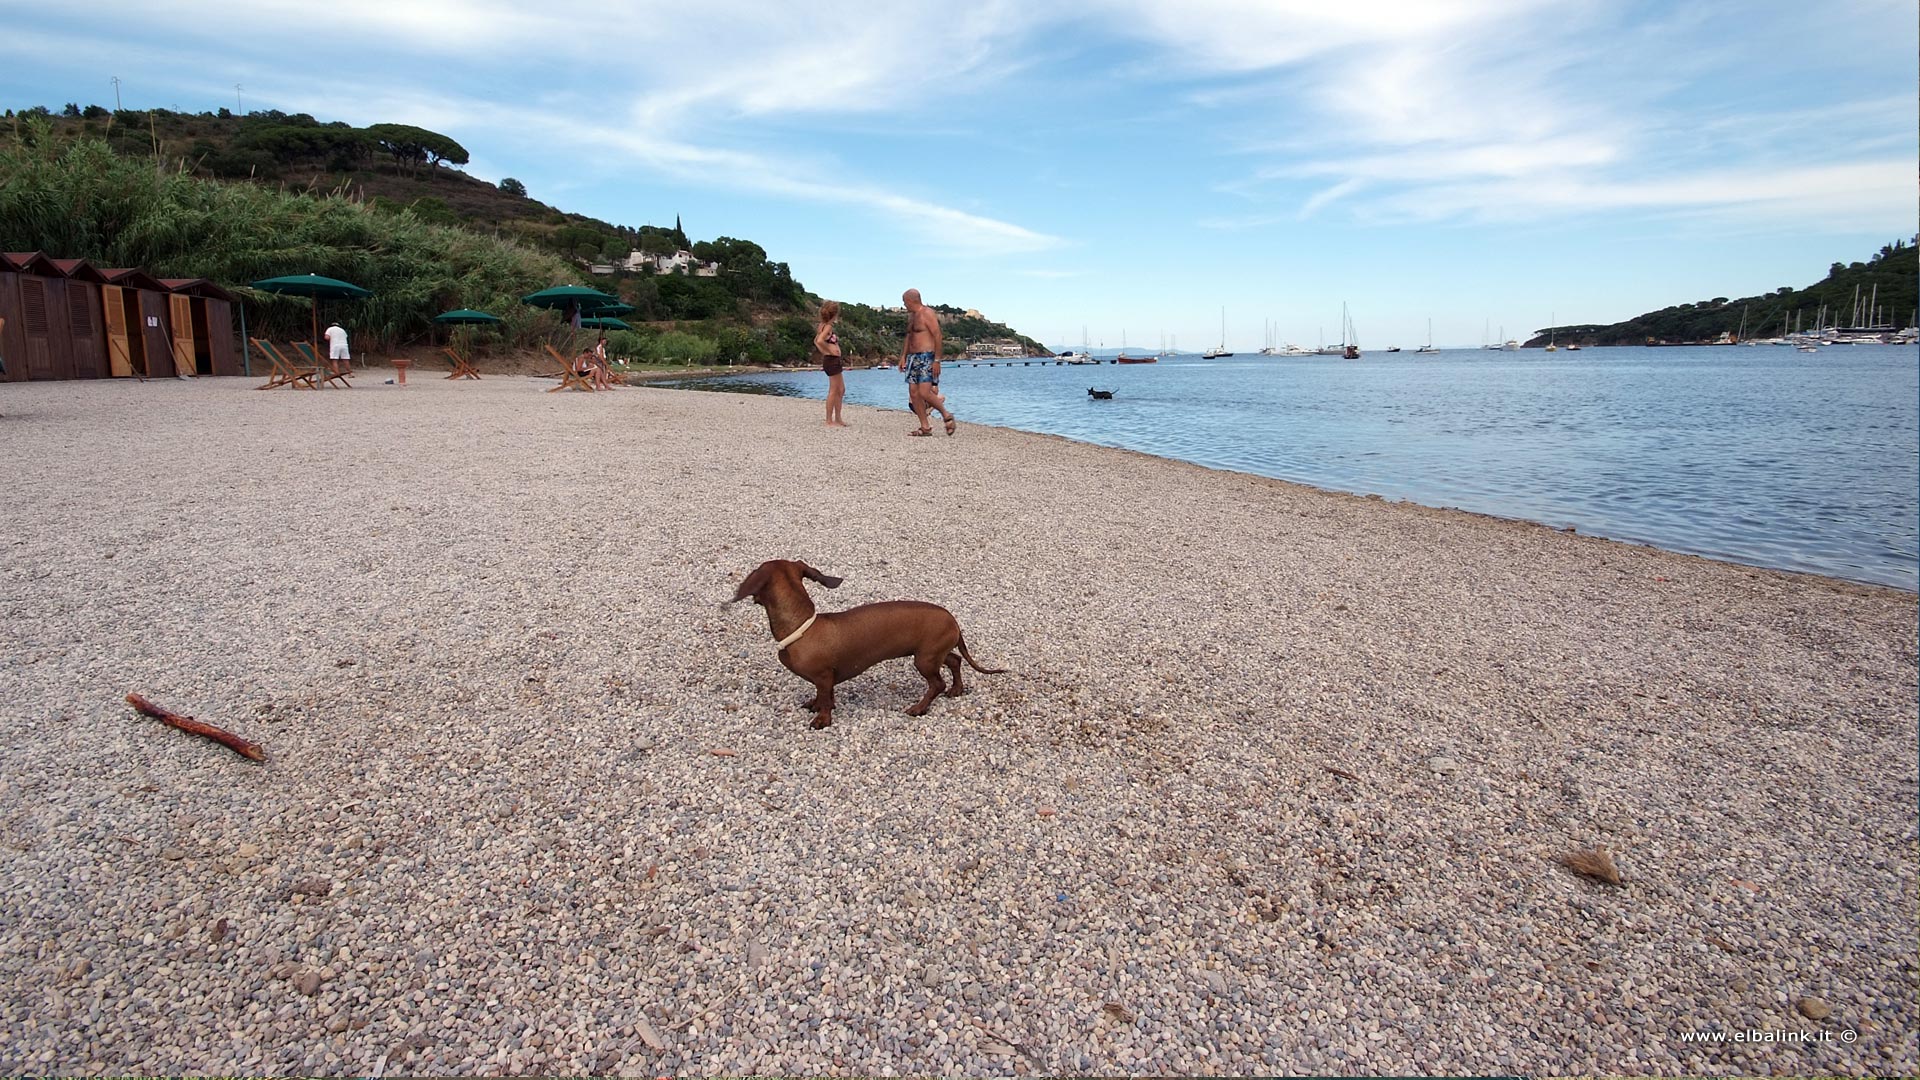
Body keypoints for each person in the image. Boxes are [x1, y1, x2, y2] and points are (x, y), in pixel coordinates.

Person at [899, 288, 955, 436]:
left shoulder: (927, 313)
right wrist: (903, 356)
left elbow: (937, 335)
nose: (904, 305)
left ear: (912, 300)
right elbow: (909, 337)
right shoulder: (912, 316)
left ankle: (946, 415)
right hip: (913, 358)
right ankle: (925, 427)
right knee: (914, 393)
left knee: (924, 392)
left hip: (926, 356)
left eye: (905, 302)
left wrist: (937, 360)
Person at [815, 301, 849, 427]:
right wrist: (829, 350)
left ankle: (838, 418)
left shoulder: (822, 325)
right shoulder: (827, 326)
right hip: (832, 360)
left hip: (832, 360)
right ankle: (829, 420)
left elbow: (816, 341)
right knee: (834, 390)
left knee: (841, 389)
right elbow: (819, 340)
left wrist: (825, 350)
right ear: (835, 314)